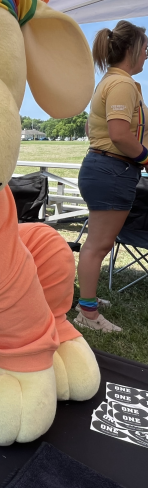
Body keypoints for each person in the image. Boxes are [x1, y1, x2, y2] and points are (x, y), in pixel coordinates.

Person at [77, 20, 148, 333]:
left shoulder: (109, 81)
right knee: (98, 245)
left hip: (103, 167)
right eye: (145, 47)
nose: (147, 54)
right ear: (132, 49)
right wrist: (146, 158)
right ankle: (87, 314)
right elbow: (119, 134)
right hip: (112, 169)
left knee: (96, 243)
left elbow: (92, 128)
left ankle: (88, 300)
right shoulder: (121, 84)